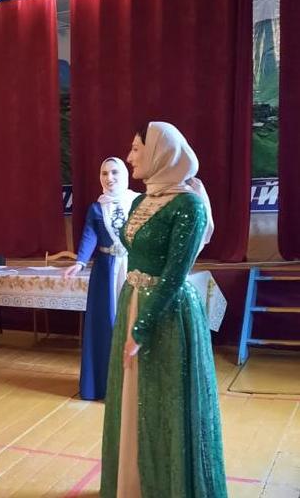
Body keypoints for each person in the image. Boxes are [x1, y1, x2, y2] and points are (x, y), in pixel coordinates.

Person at [100, 122, 226, 497]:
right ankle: (132, 482)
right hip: (132, 300)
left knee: (165, 396)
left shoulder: (189, 205)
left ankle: (169, 485)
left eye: (136, 149)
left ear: (159, 152)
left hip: (168, 312)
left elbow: (174, 276)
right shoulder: (141, 201)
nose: (129, 157)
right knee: (134, 394)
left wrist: (141, 328)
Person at [64, 158, 139, 400]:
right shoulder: (97, 208)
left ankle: (134, 385)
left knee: (133, 320)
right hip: (105, 271)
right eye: (104, 173)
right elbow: (90, 236)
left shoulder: (138, 202)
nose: (110, 178)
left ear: (124, 174)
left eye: (115, 172)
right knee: (106, 323)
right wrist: (79, 262)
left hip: (134, 269)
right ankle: (105, 384)